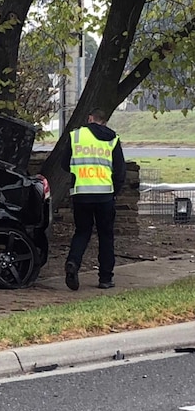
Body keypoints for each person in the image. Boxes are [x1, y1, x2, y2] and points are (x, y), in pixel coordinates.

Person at [61, 108, 126, 290]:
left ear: (90, 118)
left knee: (82, 231)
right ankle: (105, 278)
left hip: (81, 194)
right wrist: (114, 191)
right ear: (104, 121)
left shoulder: (76, 136)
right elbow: (120, 171)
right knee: (106, 235)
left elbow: (64, 164)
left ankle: (73, 262)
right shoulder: (113, 138)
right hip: (105, 195)